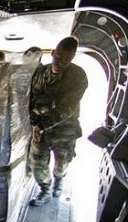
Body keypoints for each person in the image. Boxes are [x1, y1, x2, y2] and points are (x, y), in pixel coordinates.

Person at [28, 36, 88, 206]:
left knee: (62, 164)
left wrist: (41, 124)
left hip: (65, 130)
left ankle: (59, 181)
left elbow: (67, 109)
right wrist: (34, 122)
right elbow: (31, 99)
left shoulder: (78, 76)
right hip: (40, 130)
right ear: (53, 53)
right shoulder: (40, 73)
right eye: (58, 57)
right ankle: (45, 190)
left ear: (72, 58)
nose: (60, 62)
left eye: (66, 59)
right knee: (38, 164)